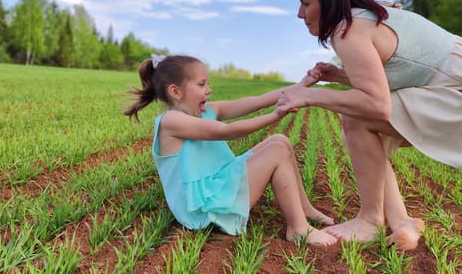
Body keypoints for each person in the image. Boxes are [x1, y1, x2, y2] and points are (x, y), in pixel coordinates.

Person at [278, 0, 462, 250]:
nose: (300, 14)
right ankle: (402, 222)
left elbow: (377, 104)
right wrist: (339, 75)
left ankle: (370, 221)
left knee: (357, 118)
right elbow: (395, 75)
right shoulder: (369, 17)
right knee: (362, 121)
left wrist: (310, 96)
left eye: (306, 3)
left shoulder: (348, 30)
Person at [123, 54, 338, 246]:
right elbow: (228, 131)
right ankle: (298, 229)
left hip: (219, 186)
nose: (209, 89)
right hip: (204, 206)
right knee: (277, 152)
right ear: (176, 92)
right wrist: (275, 116)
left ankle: (305, 208)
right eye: (201, 84)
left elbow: (257, 101)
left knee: (280, 141)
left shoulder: (207, 110)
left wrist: (303, 84)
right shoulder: (171, 121)